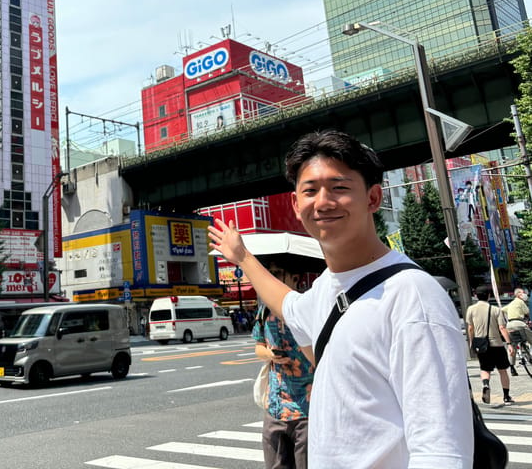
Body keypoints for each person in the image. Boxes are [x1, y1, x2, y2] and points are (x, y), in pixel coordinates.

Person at [209, 129, 472, 467]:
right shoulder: (326, 288)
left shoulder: (412, 296)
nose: (322, 202)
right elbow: (288, 304)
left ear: (373, 199)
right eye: (310, 191)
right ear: (296, 203)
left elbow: (442, 451)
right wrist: (242, 256)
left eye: (340, 188)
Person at [253, 259, 313, 469]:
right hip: (275, 406)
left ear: (295, 279)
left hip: (307, 409)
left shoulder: (309, 309)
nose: (271, 278)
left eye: (277, 273)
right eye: (269, 273)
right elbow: (258, 346)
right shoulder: (264, 312)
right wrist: (270, 354)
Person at [467, 285, 514, 402]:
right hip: (497, 344)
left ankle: (486, 385)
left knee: (485, 369)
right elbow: (502, 327)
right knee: (502, 371)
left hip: (482, 345)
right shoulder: (495, 310)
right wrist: (509, 343)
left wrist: (471, 342)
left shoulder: (471, 309)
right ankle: (506, 396)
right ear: (489, 296)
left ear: (476, 296)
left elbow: (470, 328)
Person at [503, 287, 531, 375]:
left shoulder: (510, 304)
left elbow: (502, 309)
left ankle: (512, 368)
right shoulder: (520, 302)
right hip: (520, 324)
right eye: (523, 293)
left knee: (513, 347)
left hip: (510, 325)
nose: (525, 294)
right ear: (519, 294)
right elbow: (527, 312)